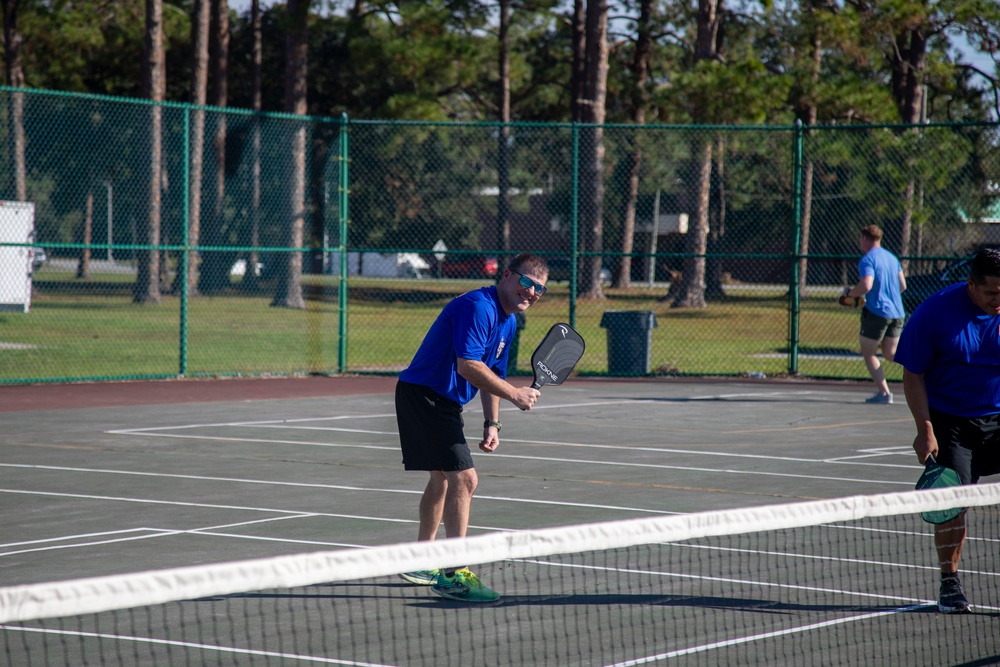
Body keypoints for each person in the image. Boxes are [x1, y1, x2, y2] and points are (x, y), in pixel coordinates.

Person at [393, 252, 549, 602]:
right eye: (527, 282)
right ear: (507, 276)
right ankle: (454, 574)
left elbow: (491, 376)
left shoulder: (508, 321)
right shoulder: (479, 307)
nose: (532, 293)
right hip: (425, 396)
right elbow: (468, 366)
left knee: (442, 479)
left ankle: (421, 560)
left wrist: (493, 422)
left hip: (440, 400)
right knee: (465, 478)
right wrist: (515, 396)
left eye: (539, 290)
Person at [894, 247, 1000, 614]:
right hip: (951, 422)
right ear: (971, 284)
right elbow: (913, 374)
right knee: (954, 506)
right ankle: (950, 583)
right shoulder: (935, 312)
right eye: (992, 294)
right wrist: (925, 428)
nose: (999, 301)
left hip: (998, 417)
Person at [842, 224, 906, 404]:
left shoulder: (868, 259)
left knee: (868, 353)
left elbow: (866, 285)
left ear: (865, 239)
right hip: (897, 312)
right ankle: (927, 372)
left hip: (878, 312)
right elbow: (902, 286)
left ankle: (885, 394)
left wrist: (850, 293)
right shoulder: (892, 258)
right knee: (891, 354)